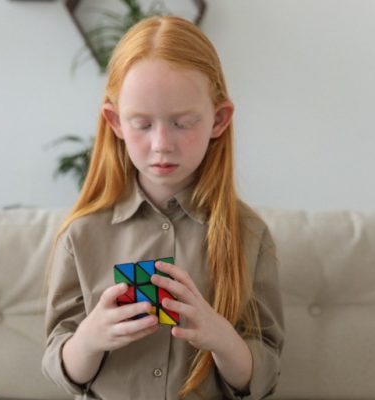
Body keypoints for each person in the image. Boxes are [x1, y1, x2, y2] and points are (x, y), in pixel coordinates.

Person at [42, 15, 284, 400]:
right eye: (142, 124)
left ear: (218, 120)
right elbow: (62, 367)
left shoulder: (249, 235)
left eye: (183, 123)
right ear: (115, 122)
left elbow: (262, 376)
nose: (161, 144)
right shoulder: (82, 234)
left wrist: (221, 337)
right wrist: (90, 339)